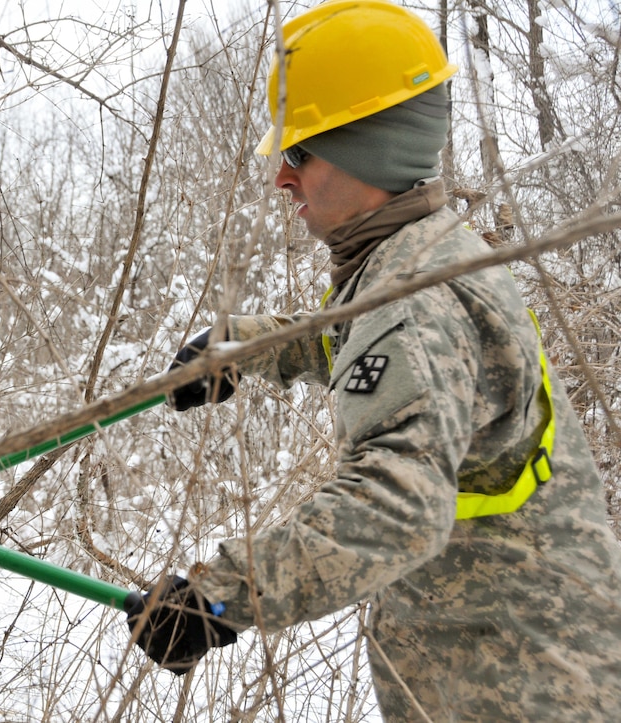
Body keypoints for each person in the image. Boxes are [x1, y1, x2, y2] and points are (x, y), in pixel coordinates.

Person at [125, 1, 621, 719]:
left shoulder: (414, 300)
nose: (281, 179)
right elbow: (362, 343)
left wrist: (219, 595)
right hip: (518, 656)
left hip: (522, 683)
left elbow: (393, 509)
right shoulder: (424, 255)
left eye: (299, 154)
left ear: (367, 153)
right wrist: (251, 347)